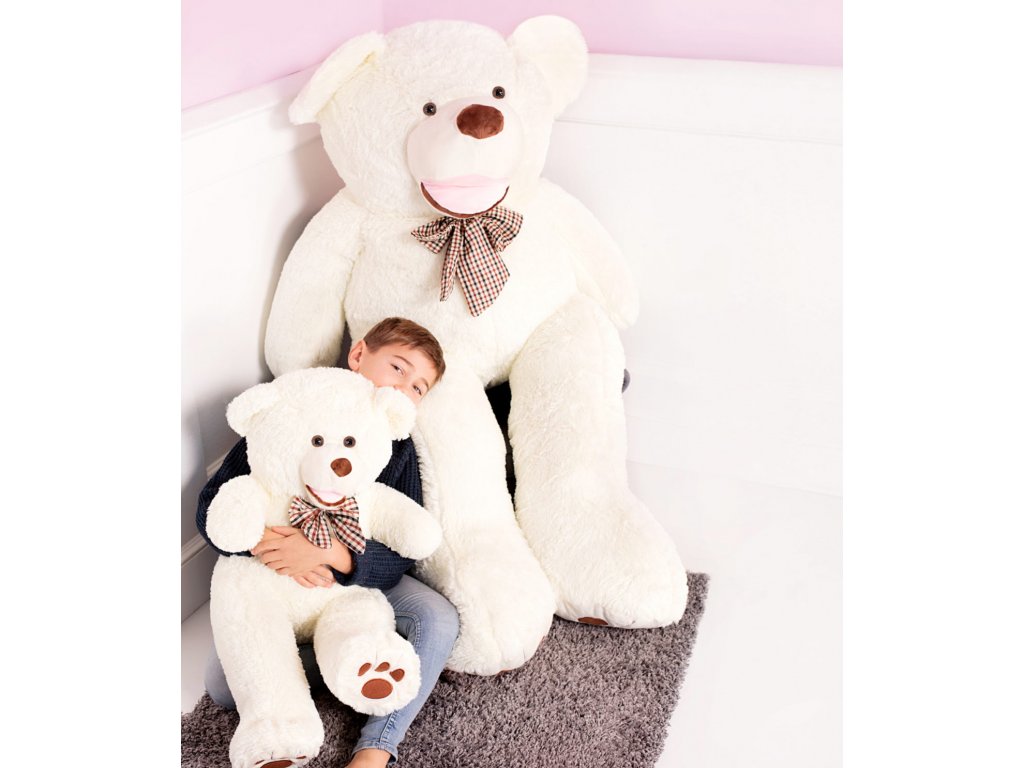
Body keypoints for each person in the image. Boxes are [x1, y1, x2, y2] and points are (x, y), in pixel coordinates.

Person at [196, 317, 459, 768]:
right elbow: (212, 507)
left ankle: (377, 745)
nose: (403, 388)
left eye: (418, 387)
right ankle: (305, 679)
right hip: (276, 573)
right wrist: (267, 545)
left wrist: (335, 554)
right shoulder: (293, 408)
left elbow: (402, 549)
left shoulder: (398, 446)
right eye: (398, 368)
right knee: (222, 687)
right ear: (358, 355)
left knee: (438, 619)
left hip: (353, 579)